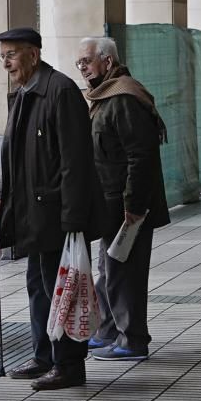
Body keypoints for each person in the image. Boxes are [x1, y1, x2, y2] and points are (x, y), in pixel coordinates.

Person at [0, 27, 106, 391]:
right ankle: (44, 355)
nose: (6, 62)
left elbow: (76, 161)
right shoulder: (24, 92)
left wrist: (73, 218)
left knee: (64, 288)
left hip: (56, 214)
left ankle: (68, 364)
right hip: (33, 214)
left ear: (33, 55)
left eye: (11, 54)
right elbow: (15, 154)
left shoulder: (60, 91)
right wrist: (1, 189)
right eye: (2, 56)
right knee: (38, 285)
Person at [75, 36, 170, 362]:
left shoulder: (124, 98)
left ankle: (133, 340)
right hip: (110, 203)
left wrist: (133, 205)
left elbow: (139, 157)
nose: (83, 68)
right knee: (110, 269)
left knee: (124, 273)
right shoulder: (105, 97)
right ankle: (109, 331)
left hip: (127, 207)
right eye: (80, 63)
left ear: (108, 62)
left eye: (87, 61)